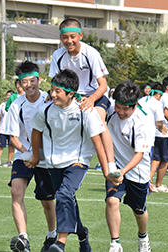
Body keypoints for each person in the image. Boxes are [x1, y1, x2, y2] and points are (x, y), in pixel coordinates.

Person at [28, 69, 108, 252]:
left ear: (70, 94)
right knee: (68, 199)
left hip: (78, 162)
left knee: (63, 195)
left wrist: (106, 170)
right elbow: (36, 132)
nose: (53, 94)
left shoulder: (84, 111)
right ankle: (82, 235)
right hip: (54, 163)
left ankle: (60, 242)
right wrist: (35, 156)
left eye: (58, 91)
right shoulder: (46, 110)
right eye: (52, 90)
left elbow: (97, 140)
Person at [49, 18, 117, 178]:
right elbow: (54, 81)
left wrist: (91, 100)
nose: (69, 41)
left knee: (98, 121)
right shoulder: (57, 55)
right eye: (65, 37)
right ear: (61, 38)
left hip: (96, 94)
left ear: (80, 35)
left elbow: (103, 85)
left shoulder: (91, 53)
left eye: (73, 36)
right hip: (71, 96)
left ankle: (110, 164)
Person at [5, 61, 55, 252]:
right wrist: (28, 152)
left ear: (39, 80)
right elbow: (13, 136)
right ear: (20, 84)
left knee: (46, 200)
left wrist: (38, 154)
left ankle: (51, 234)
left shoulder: (50, 100)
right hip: (24, 155)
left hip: (46, 157)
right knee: (16, 191)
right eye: (24, 82)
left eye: (32, 81)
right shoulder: (16, 104)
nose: (29, 85)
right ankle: (23, 239)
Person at [105, 81, 151, 252]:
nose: (121, 112)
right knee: (111, 200)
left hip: (137, 171)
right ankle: (115, 243)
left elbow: (139, 154)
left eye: (126, 109)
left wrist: (123, 171)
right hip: (116, 165)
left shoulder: (142, 122)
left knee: (139, 211)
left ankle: (143, 237)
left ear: (135, 105)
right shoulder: (110, 112)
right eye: (118, 107)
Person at [139, 82, 168, 193]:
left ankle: (144, 183)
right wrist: (163, 129)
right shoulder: (156, 103)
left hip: (136, 133)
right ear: (159, 95)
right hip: (149, 135)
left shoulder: (141, 100)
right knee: (152, 159)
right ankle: (147, 184)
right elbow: (159, 123)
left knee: (140, 159)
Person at [0, 90, 15, 166]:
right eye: (7, 95)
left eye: (10, 95)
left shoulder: (15, 105)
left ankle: (9, 160)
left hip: (12, 129)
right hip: (3, 128)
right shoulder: (3, 105)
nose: (8, 97)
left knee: (11, 145)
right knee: (1, 145)